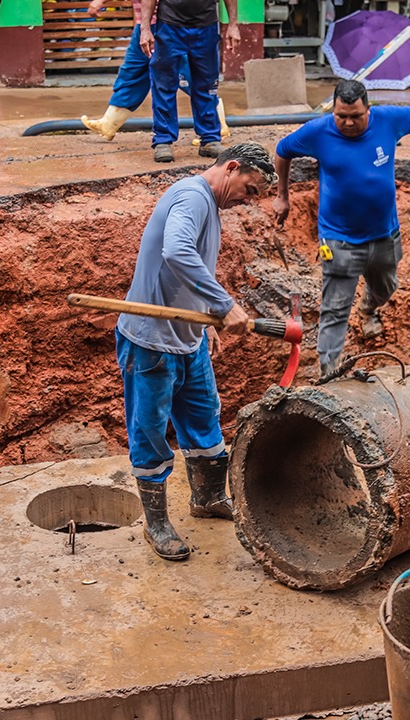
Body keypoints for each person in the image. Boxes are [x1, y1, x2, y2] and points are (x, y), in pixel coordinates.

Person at [116, 141, 277, 561]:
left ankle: (207, 498)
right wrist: (226, 305)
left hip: (189, 337)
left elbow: (192, 268)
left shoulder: (208, 203)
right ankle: (156, 523)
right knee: (150, 430)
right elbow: (177, 251)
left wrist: (207, 315)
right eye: (251, 189)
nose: (249, 200)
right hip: (151, 342)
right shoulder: (191, 197)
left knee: (204, 418)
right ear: (233, 168)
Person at [272, 79, 410, 377]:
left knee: (386, 287)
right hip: (337, 239)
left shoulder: (388, 120)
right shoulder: (318, 131)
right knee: (335, 308)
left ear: (368, 110)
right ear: (333, 110)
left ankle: (368, 308)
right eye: (341, 116)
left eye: (355, 116)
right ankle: (329, 374)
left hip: (384, 234)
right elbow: (283, 150)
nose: (348, 123)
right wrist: (282, 196)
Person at [81, 0, 230, 142]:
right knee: (134, 71)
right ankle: (109, 123)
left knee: (185, 76)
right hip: (149, 23)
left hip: (163, 24)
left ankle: (217, 124)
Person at [138, 0, 238, 163]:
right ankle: (163, 140)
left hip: (207, 26)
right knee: (164, 84)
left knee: (207, 85)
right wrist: (145, 28)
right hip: (170, 26)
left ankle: (210, 139)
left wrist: (233, 25)